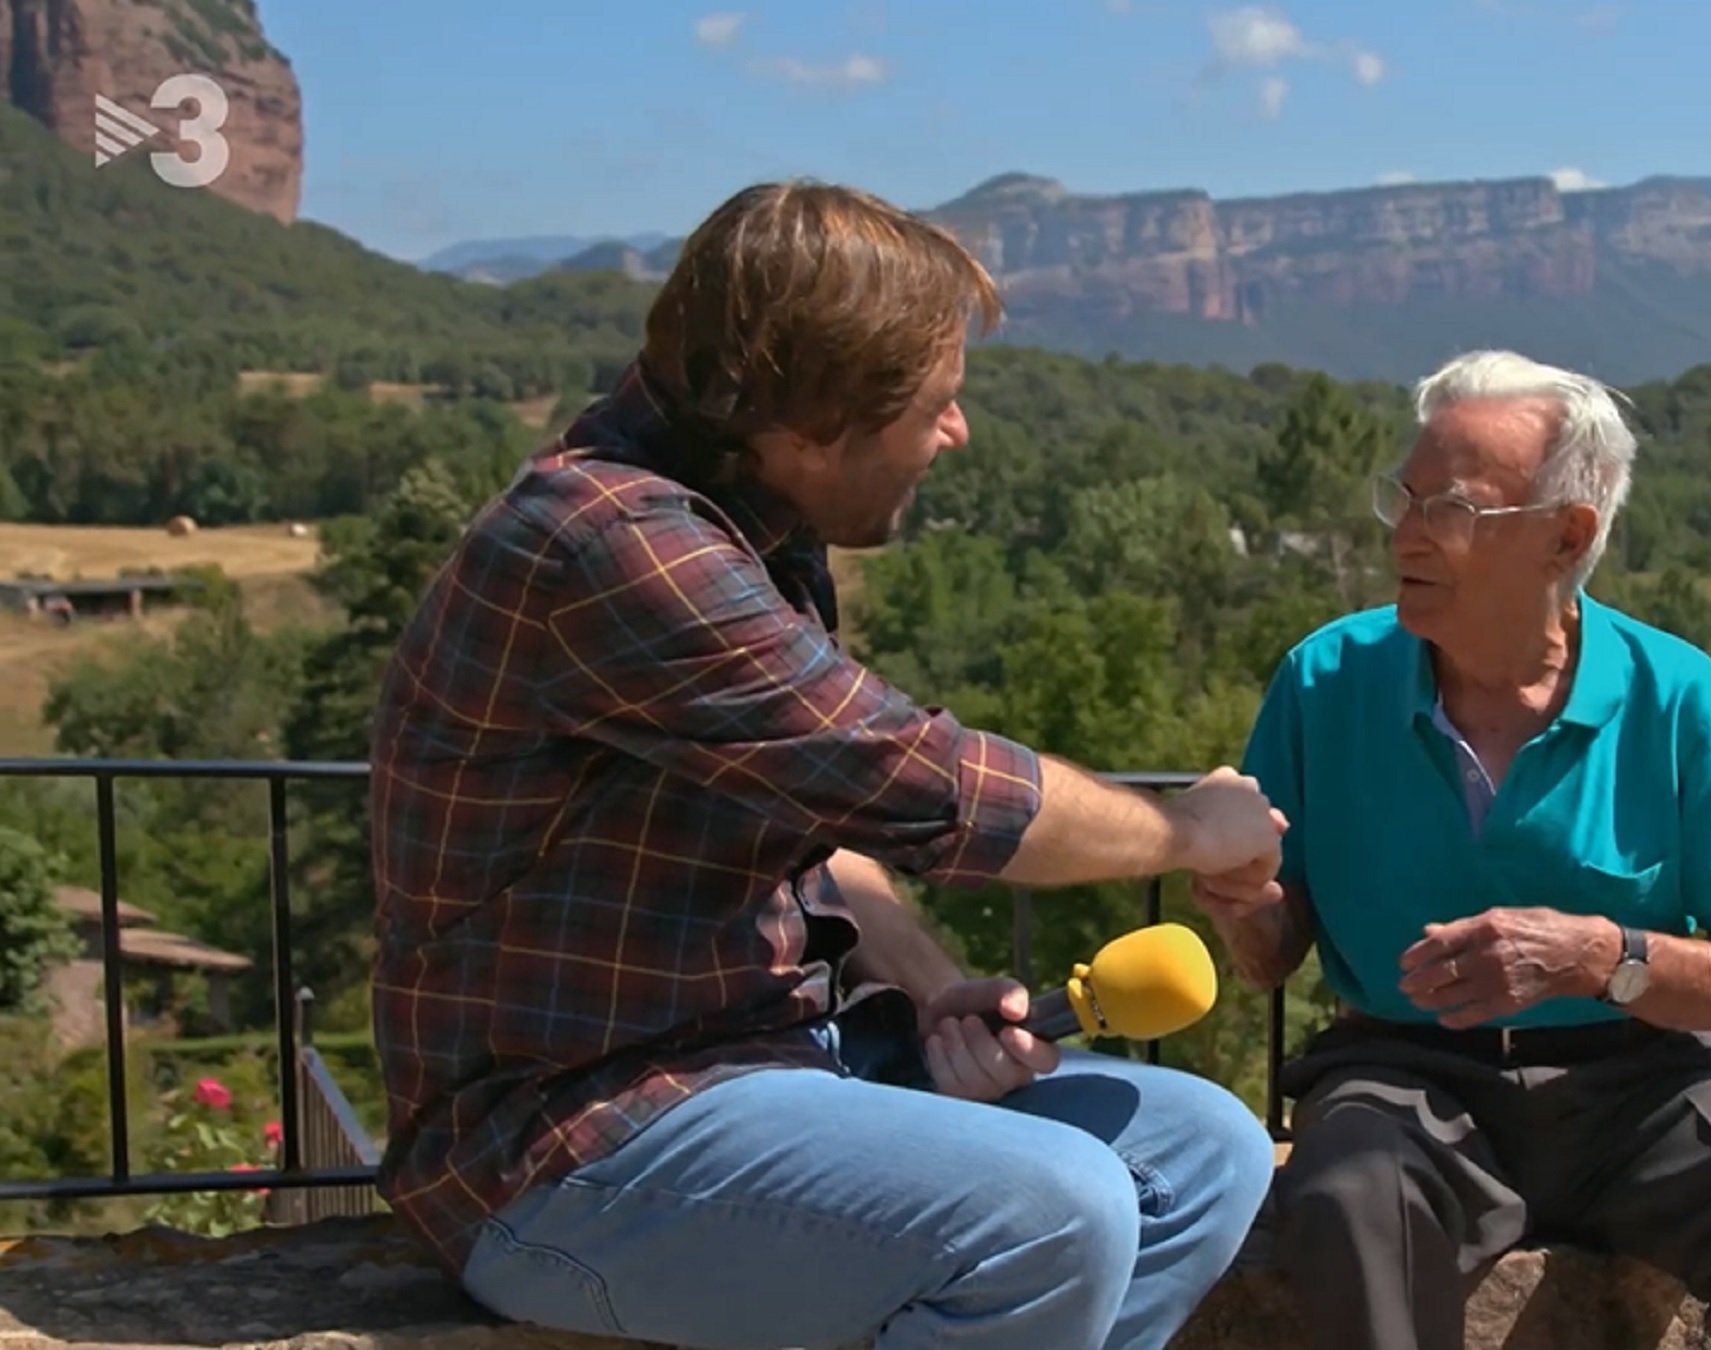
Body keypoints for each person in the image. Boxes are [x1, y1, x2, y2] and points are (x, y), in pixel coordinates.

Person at [365, 179, 1280, 1350]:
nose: (958, 433)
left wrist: (929, 986)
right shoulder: (614, 546)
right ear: (805, 427)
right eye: (937, 405)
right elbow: (918, 781)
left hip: (776, 1065)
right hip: (565, 1143)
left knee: (1201, 1149)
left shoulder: (748, 522)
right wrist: (1185, 833)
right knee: (1054, 1211)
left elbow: (824, 821)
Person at [1194, 350, 1711, 1350]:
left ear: (1566, 535)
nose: (1404, 532)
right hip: (1405, 1082)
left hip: (1648, 1090)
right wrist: (1242, 899)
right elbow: (1274, 955)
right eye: (1404, 497)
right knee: (1353, 1203)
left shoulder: (1680, 696)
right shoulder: (1325, 680)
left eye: (1450, 508)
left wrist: (1601, 959)